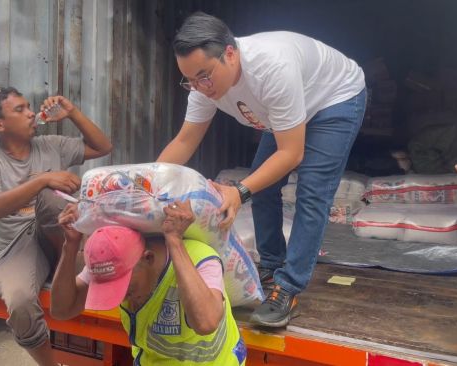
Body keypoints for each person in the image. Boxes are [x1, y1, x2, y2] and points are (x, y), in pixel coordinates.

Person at [156, 12, 366, 328]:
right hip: (286, 107)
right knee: (263, 184)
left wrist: (239, 191)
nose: (200, 87)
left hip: (334, 98)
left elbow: (291, 154)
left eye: (204, 76)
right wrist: (149, 181)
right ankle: (270, 263)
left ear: (230, 53)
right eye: (190, 80)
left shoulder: (271, 68)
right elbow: (185, 141)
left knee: (312, 192)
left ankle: (289, 287)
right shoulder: (203, 87)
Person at [0, 87, 112, 365]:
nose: (31, 113)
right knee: (20, 304)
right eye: (20, 110)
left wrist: (72, 113)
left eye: (29, 107)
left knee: (53, 201)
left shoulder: (51, 144)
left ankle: (74, 260)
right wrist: (43, 180)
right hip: (15, 246)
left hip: (62, 235)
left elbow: (103, 147)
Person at [50, 200, 247, 365]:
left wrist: (175, 242)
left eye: (126, 288)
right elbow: (61, 310)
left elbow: (206, 322)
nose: (121, 297)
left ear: (148, 258)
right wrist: (70, 245)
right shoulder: (109, 264)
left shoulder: (200, 258)